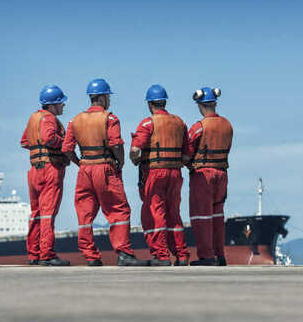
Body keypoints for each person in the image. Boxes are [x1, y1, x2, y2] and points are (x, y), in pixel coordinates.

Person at [62, 78, 147, 266]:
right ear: (103, 97)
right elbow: (116, 144)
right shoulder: (110, 118)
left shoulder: (74, 120)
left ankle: (91, 256)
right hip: (105, 168)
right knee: (119, 209)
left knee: (85, 213)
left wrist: (80, 163)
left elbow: (67, 149)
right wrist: (121, 162)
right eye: (108, 96)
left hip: (85, 170)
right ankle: (124, 253)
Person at [130, 84, 191, 266]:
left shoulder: (148, 123)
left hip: (155, 173)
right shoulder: (179, 122)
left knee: (155, 212)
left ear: (150, 104)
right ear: (164, 102)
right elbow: (187, 155)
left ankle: (161, 255)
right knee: (174, 214)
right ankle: (181, 255)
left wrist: (135, 160)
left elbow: (134, 150)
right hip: (175, 173)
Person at [20, 85, 71, 266]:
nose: (64, 106)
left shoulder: (34, 118)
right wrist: (65, 142)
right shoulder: (49, 118)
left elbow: (24, 141)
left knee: (37, 214)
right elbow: (49, 138)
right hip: (50, 169)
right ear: (53, 105)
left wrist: (38, 147)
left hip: (35, 170)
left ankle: (34, 254)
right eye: (61, 103)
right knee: (48, 214)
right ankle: (47, 255)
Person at [187, 87, 233, 266]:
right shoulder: (227, 125)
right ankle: (220, 255)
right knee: (217, 216)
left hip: (203, 176)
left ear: (200, 105)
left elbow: (188, 150)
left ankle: (206, 256)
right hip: (222, 174)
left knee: (201, 216)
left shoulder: (199, 127)